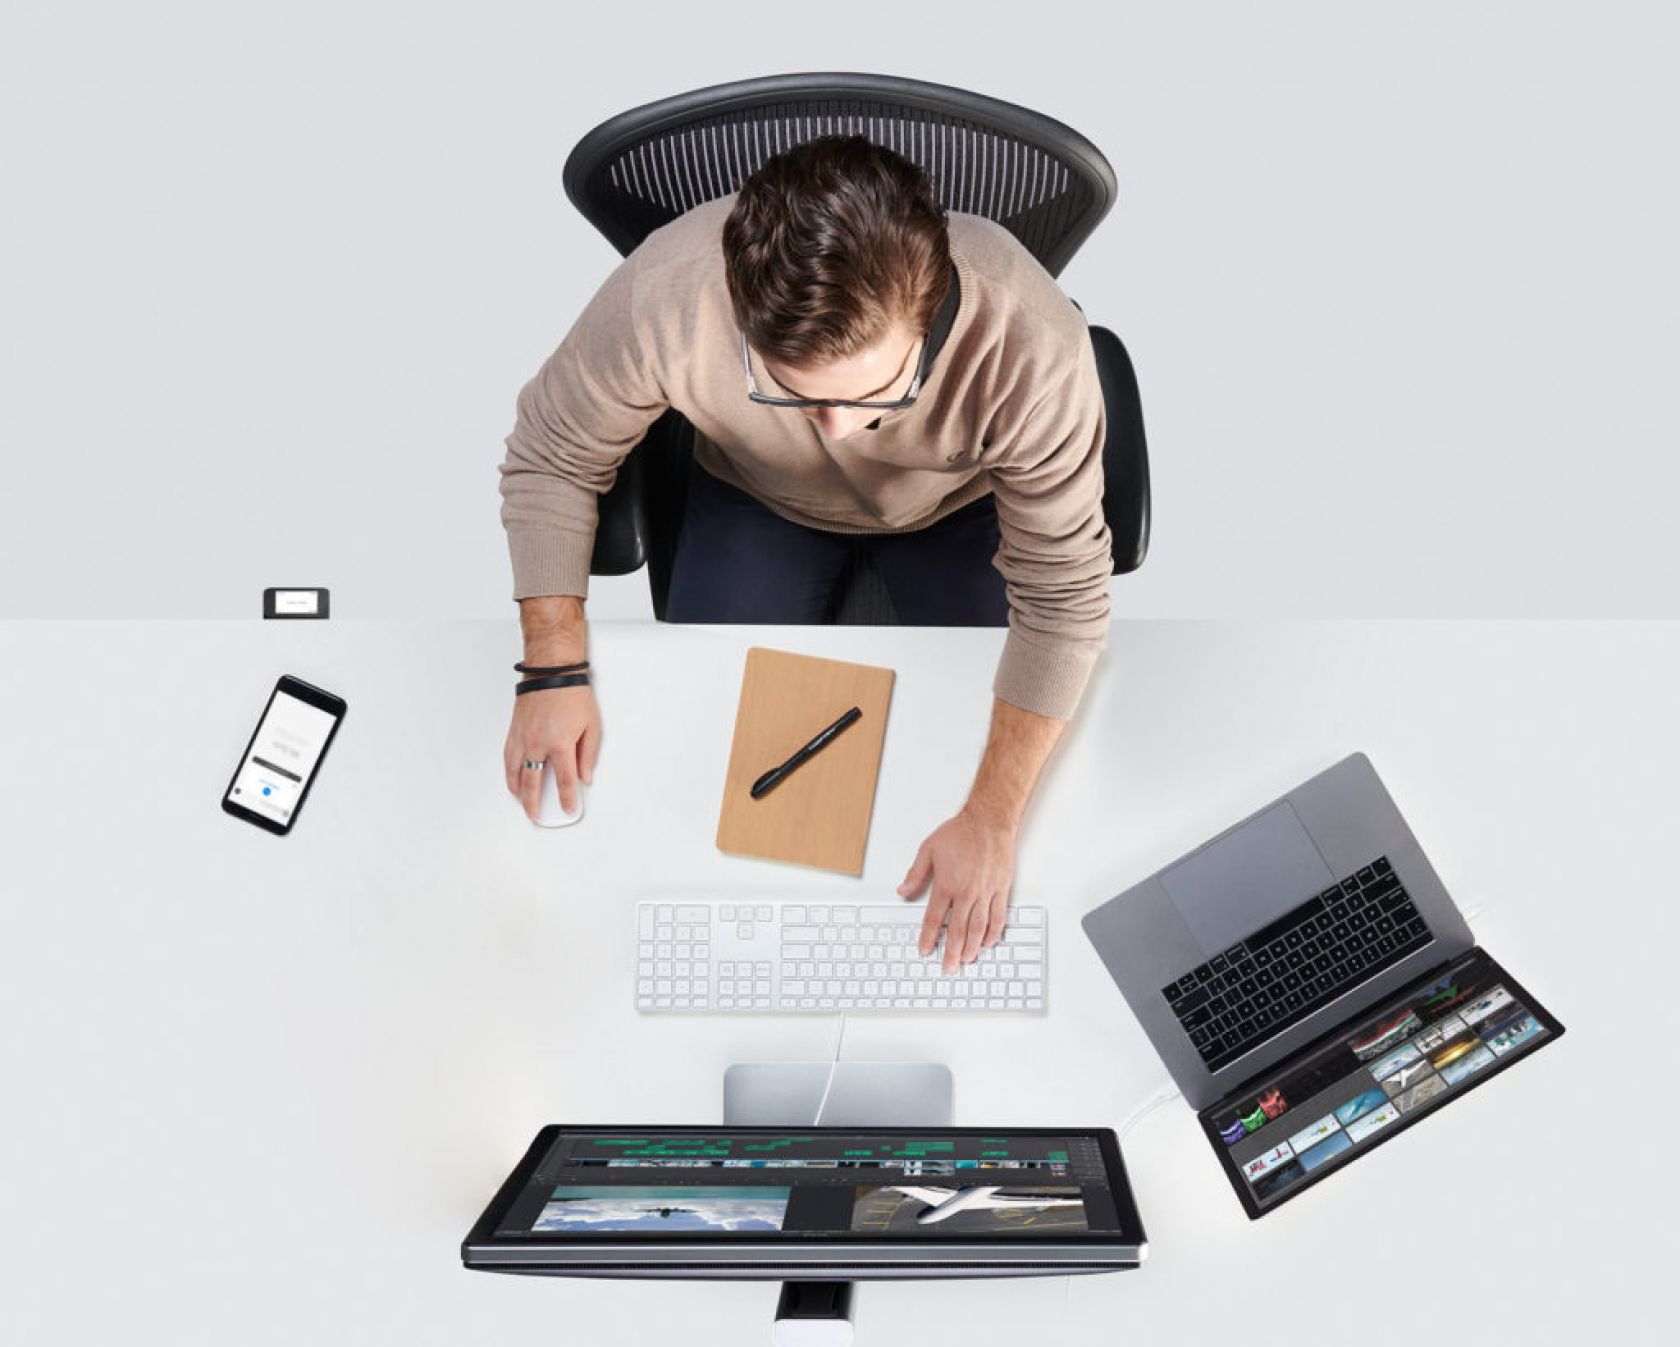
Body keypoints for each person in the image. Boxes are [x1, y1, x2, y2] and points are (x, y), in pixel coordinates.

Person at [499, 135, 1111, 972]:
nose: (834, 432)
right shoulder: (671, 291)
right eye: (789, 390)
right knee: (711, 782)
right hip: (756, 497)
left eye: (871, 395)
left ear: (929, 312)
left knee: (992, 754)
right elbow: (552, 452)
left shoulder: (1030, 341)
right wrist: (552, 668)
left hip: (958, 507)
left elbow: (1066, 602)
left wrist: (993, 819)